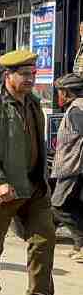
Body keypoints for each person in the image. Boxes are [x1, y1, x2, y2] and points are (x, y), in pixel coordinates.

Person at [0, 49, 69, 295]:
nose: (30, 79)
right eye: (24, 75)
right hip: (1, 190)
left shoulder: (34, 104)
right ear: (8, 76)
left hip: (33, 187)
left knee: (43, 238)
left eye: (33, 74)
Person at [51, 73, 83, 263]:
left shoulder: (77, 110)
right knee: (74, 205)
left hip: (73, 168)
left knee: (59, 205)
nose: (58, 97)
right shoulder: (76, 107)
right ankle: (79, 245)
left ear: (67, 92)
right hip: (73, 167)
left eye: (59, 92)